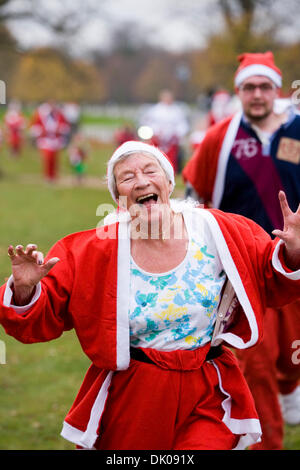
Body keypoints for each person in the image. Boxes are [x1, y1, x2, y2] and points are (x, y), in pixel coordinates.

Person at [0, 139, 300, 450]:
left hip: (207, 391)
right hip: (135, 394)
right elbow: (42, 314)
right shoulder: (93, 249)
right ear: (119, 199)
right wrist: (24, 289)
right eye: (127, 177)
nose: (141, 181)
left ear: (169, 182)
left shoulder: (218, 230)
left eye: (149, 170)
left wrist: (294, 253)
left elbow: (271, 277)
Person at [182, 51, 300, 450]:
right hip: (245, 270)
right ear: (238, 92)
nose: (257, 94)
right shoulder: (220, 138)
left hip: (297, 265)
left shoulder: (298, 132)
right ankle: (263, 438)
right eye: (248, 87)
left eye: (264, 86)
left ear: (276, 90)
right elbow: (193, 197)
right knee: (257, 361)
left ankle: (291, 386)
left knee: (290, 360)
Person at [139, 89, 189, 174]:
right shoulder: (155, 110)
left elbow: (182, 125)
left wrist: (176, 133)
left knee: (172, 156)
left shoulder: (177, 111)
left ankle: (172, 170)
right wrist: (156, 131)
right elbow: (148, 123)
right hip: (158, 138)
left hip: (172, 140)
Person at [30, 101, 70, 183]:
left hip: (55, 140)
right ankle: (47, 175)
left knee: (55, 159)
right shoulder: (41, 116)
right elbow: (34, 128)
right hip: (45, 140)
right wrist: (42, 131)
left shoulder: (59, 116)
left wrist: (59, 130)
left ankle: (53, 176)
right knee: (47, 158)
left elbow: (66, 127)